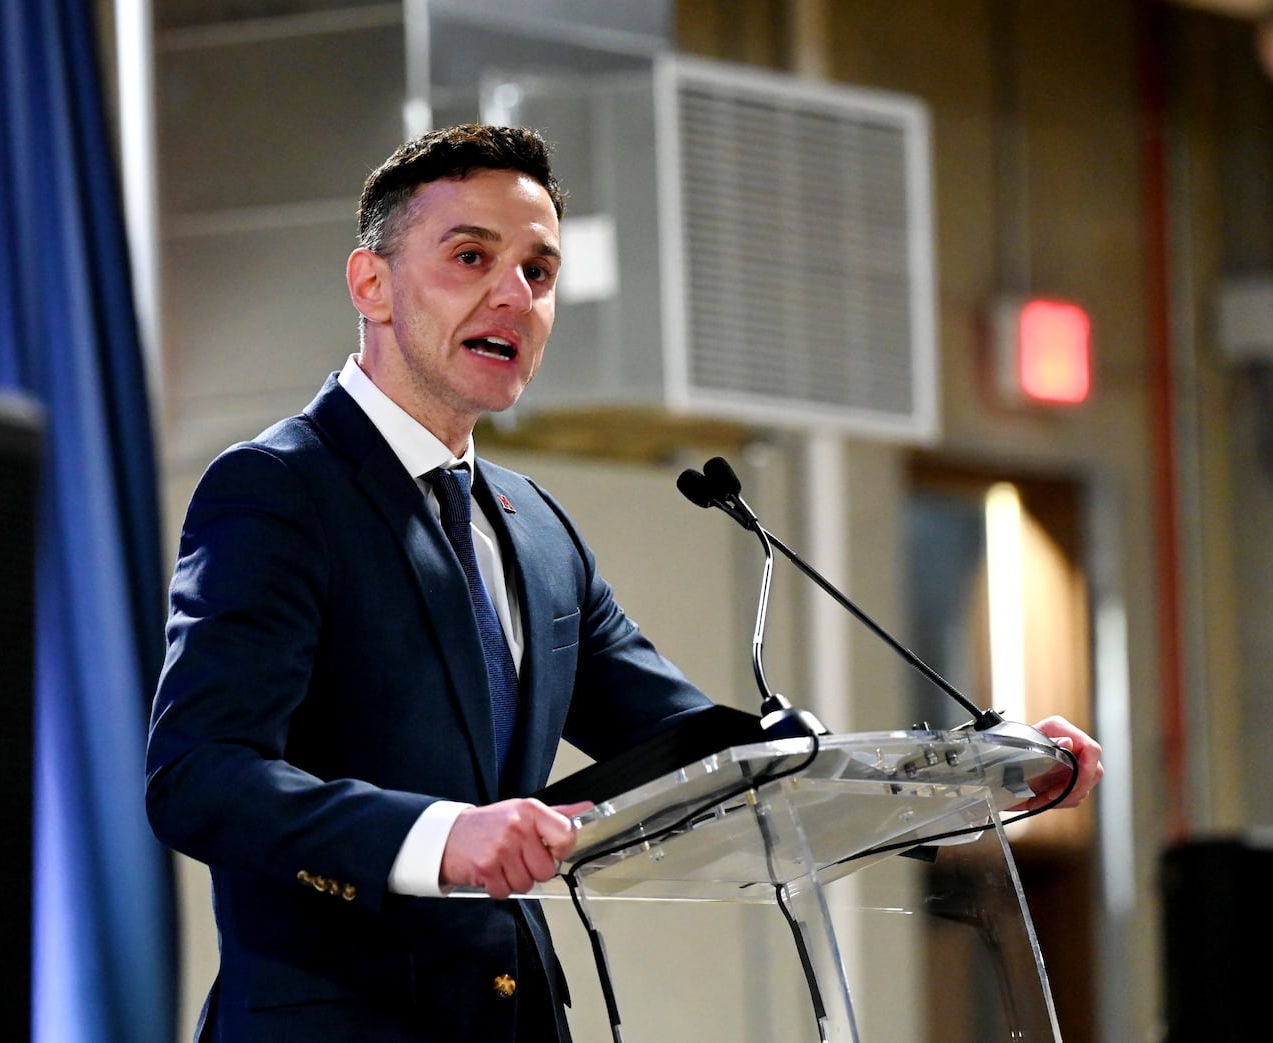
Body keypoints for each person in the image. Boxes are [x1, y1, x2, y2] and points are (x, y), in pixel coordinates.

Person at [144, 123, 1104, 1043]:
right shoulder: (278, 489)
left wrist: (976, 778)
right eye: (470, 258)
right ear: (373, 283)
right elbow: (199, 774)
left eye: (539, 270)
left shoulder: (536, 528)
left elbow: (705, 757)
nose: (515, 295)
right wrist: (441, 836)